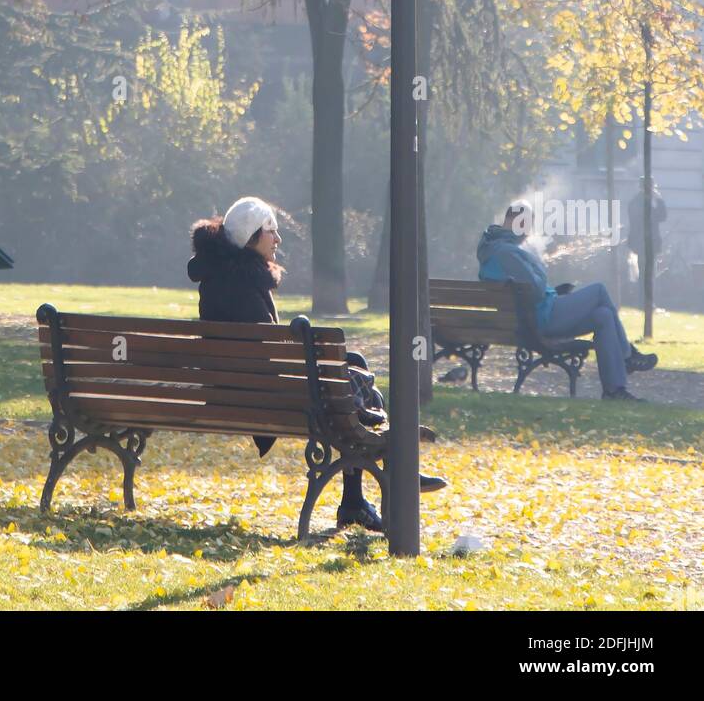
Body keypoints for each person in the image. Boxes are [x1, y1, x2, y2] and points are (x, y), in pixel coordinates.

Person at [188, 195, 447, 532]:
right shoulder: (242, 283)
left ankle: (369, 490)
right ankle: (386, 477)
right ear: (252, 236)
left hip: (236, 395)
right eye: (271, 231)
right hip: (270, 400)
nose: (278, 239)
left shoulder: (219, 276)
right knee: (350, 381)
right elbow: (269, 359)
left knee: (353, 364)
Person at [477, 201, 658, 400]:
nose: (527, 233)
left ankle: (614, 390)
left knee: (603, 315)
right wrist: (538, 270)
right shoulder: (507, 253)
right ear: (515, 221)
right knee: (599, 291)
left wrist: (549, 287)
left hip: (532, 319)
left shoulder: (494, 249)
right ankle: (627, 356)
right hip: (543, 320)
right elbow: (536, 289)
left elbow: (525, 290)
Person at [627, 178, 667, 308]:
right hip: (645, 243)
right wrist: (659, 200)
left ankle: (645, 302)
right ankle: (646, 302)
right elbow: (662, 216)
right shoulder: (644, 203)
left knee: (646, 274)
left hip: (642, 243)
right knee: (647, 274)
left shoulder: (636, 202)